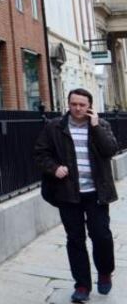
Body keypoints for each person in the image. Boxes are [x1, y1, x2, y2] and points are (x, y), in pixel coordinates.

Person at [34, 88, 119, 303]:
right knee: (75, 240)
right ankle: (81, 285)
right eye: (74, 104)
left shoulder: (100, 125)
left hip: (96, 193)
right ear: (68, 104)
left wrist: (96, 127)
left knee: (101, 236)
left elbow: (110, 150)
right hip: (68, 194)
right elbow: (40, 153)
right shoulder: (55, 127)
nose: (78, 108)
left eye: (82, 104)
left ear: (89, 106)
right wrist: (54, 168)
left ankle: (104, 271)